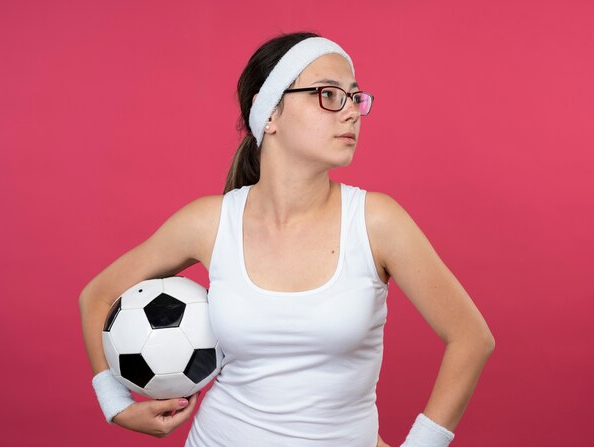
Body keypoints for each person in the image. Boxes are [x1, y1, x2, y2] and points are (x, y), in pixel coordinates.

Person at [79, 32, 495, 447]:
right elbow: (97, 296)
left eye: (355, 97)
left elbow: (471, 338)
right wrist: (114, 403)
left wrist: (423, 443)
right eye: (329, 95)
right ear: (270, 113)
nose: (351, 113)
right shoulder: (210, 221)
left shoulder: (376, 222)